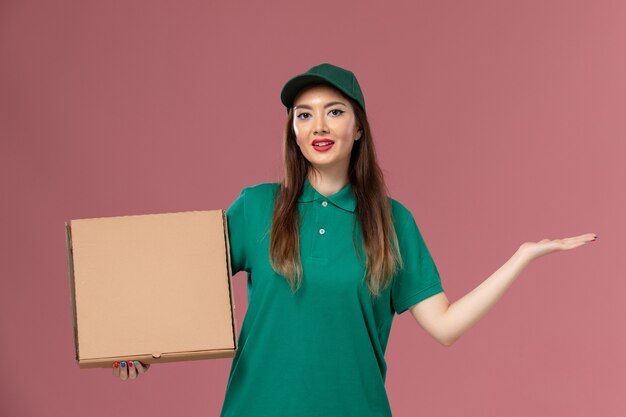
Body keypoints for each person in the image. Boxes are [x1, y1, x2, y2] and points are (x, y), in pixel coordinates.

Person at [111, 63, 597, 417]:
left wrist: (522, 257)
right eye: (304, 115)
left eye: (334, 111)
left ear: (358, 126)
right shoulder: (256, 207)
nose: (318, 126)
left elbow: (445, 326)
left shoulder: (391, 221)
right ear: (293, 130)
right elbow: (182, 292)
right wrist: (141, 347)